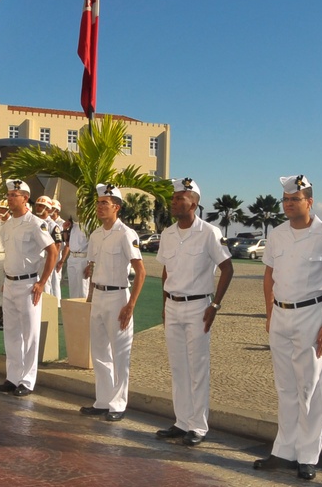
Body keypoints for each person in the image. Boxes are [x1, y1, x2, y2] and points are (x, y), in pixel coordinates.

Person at [254, 174, 322, 481]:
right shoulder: (277, 234)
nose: (288, 204)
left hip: (311, 315)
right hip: (281, 314)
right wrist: (269, 313)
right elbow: (269, 275)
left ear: (310, 202)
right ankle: (284, 451)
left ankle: (308, 456)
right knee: (286, 386)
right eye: (286, 200)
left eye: (295, 199)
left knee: (311, 387)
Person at [156, 177, 233, 446]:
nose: (174, 202)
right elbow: (166, 271)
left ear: (194, 204)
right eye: (173, 198)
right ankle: (181, 422)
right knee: (178, 367)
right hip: (173, 306)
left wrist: (215, 305)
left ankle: (198, 427)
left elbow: (227, 269)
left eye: (180, 198)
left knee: (197, 367)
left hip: (198, 307)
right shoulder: (167, 234)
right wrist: (164, 305)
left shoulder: (209, 232)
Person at [79, 184, 145, 422]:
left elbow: (141, 271)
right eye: (98, 203)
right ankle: (103, 401)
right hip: (99, 296)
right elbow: (93, 267)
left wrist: (131, 305)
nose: (99, 207)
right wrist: (90, 296)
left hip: (118, 297)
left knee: (119, 354)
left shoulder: (126, 234)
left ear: (116, 207)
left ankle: (118, 404)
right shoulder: (96, 235)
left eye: (104, 203)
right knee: (99, 352)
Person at [0, 180, 57, 397]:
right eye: (9, 195)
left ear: (25, 198)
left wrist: (42, 282)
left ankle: (27, 381)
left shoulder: (35, 223)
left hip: (28, 285)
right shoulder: (8, 224)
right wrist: (6, 278)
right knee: (11, 333)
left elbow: (52, 251)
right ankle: (12, 377)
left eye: (14, 195)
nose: (10, 198)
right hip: (10, 283)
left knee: (30, 334)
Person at [33, 195, 63, 299]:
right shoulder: (33, 221)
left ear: (48, 209)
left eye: (41, 206)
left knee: (45, 287)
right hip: (33, 258)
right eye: (37, 205)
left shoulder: (53, 225)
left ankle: (46, 309)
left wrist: (52, 262)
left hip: (45, 259)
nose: (38, 208)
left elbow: (57, 245)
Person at [63, 217, 91, 299]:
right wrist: (65, 229)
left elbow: (94, 245)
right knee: (73, 290)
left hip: (83, 258)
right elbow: (68, 243)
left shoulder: (90, 225)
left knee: (83, 290)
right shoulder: (74, 225)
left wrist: (90, 263)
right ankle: (74, 307)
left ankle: (83, 307)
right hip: (72, 257)